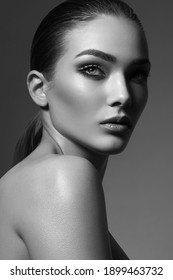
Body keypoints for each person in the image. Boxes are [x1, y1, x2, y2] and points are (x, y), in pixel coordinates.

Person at [0, 0, 151, 260]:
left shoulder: (35, 181)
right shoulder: (62, 178)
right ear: (39, 88)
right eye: (93, 69)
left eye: (137, 74)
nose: (123, 95)